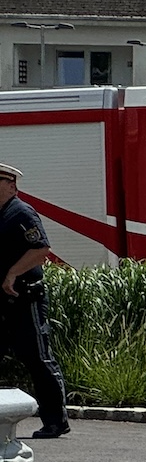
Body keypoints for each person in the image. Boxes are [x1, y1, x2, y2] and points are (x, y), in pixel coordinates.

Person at [0, 165, 68, 439]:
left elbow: (41, 250)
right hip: (2, 300)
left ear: (10, 185)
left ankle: (55, 421)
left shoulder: (21, 213)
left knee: (38, 359)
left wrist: (13, 272)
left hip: (24, 297)